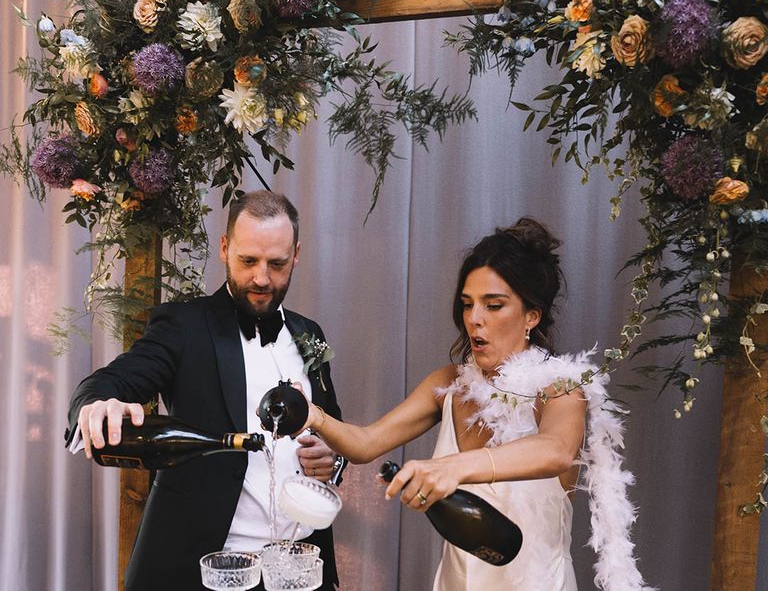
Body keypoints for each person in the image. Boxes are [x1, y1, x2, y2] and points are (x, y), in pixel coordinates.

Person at [299, 218, 651, 590]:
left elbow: (557, 450)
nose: (475, 319)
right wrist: (313, 415)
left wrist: (453, 468)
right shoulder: (448, 384)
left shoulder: (559, 387)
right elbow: (365, 444)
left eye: (493, 305)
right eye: (468, 305)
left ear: (532, 315)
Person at [64, 190, 345, 591]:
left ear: (296, 255)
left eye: (277, 263)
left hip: (295, 572)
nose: (262, 278)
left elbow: (335, 427)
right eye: (248, 261)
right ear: (225, 248)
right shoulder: (184, 327)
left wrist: (331, 458)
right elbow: (112, 381)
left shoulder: (308, 334)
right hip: (205, 572)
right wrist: (94, 404)